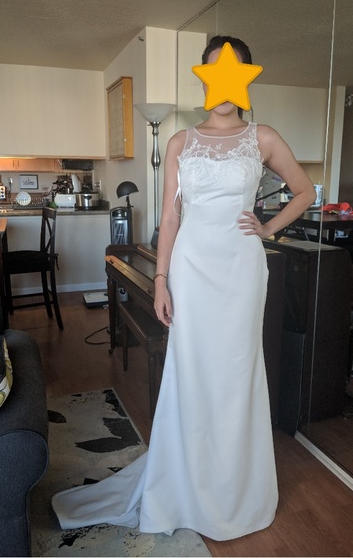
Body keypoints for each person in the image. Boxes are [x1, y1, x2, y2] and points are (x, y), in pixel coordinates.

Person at [52, 35, 316, 541]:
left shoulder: (263, 137)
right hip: (192, 271)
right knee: (192, 372)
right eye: (216, 68)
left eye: (234, 69)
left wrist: (268, 227)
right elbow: (170, 219)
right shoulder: (180, 142)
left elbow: (304, 191)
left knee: (237, 373)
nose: (225, 79)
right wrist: (161, 280)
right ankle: (187, 484)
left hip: (241, 271)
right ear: (204, 77)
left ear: (246, 77)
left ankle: (235, 492)